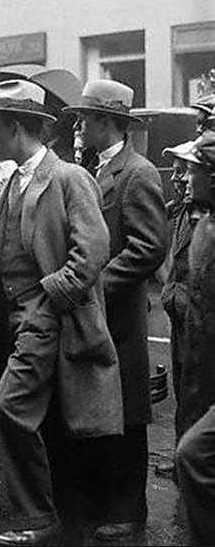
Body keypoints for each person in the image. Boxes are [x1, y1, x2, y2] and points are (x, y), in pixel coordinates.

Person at [0, 80, 122, 547]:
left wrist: (51, 296)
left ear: (16, 127)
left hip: (46, 318)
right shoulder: (13, 180)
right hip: (14, 318)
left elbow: (93, 251)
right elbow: (9, 243)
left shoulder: (69, 178)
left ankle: (37, 518)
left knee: (7, 407)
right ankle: (65, 516)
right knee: (43, 419)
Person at [65, 80, 168, 542]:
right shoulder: (92, 167)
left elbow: (148, 248)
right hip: (97, 316)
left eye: (86, 119)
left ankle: (130, 512)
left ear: (107, 122)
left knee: (126, 415)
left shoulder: (138, 173)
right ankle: (99, 503)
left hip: (118, 316)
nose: (80, 126)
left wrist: (95, 285)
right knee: (98, 409)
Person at [174, 129, 215, 545]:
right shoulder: (203, 227)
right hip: (202, 371)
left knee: (194, 455)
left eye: (193, 170)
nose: (184, 178)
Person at [155, 141, 202, 478]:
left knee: (195, 387)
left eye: (185, 170)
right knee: (182, 383)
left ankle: (192, 455)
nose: (179, 178)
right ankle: (182, 450)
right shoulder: (181, 210)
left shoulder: (204, 217)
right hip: (178, 311)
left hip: (197, 316)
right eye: (176, 171)